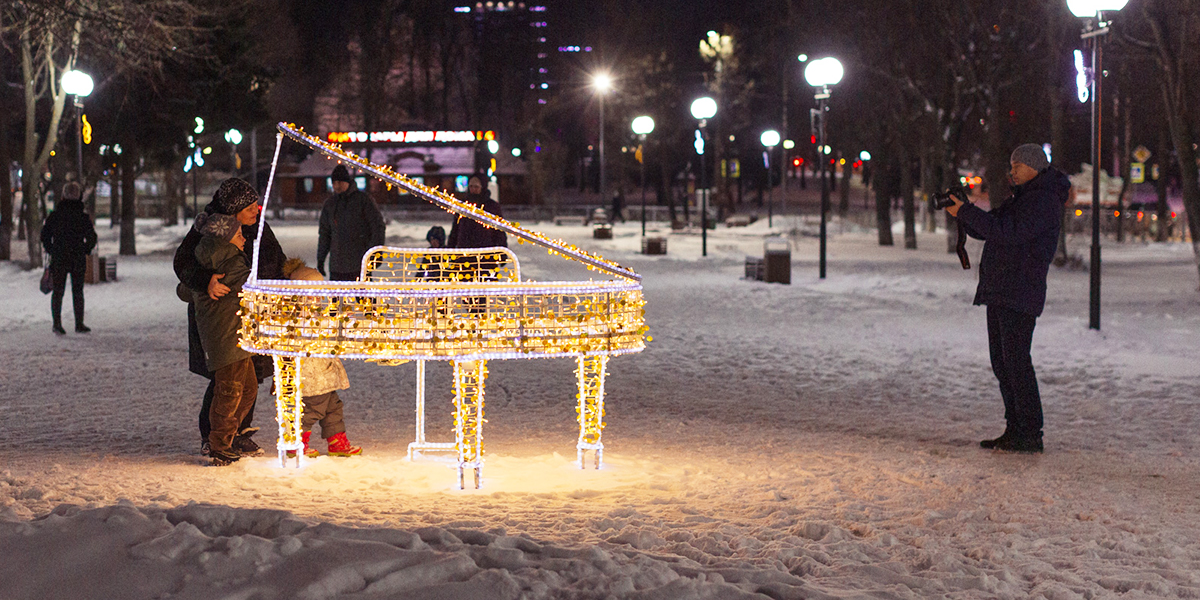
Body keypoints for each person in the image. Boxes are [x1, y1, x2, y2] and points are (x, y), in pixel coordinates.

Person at [943, 144, 1070, 454]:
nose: (1011, 170)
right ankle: (1016, 429)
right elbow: (991, 229)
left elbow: (1008, 232)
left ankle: (1029, 432)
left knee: (1015, 362)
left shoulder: (1042, 201)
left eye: (1017, 165)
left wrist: (967, 212)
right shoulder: (1024, 198)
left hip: (1019, 289)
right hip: (1004, 288)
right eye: (1011, 164)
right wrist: (964, 210)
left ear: (1034, 167)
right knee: (1003, 362)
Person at [174, 178, 285, 457]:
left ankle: (237, 432)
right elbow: (183, 263)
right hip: (220, 314)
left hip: (253, 312)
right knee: (226, 377)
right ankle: (212, 436)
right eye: (250, 207)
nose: (256, 211)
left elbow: (275, 259)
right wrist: (205, 281)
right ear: (233, 213)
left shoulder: (256, 225)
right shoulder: (210, 230)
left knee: (250, 376)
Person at [190, 212, 257, 466]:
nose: (243, 238)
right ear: (225, 239)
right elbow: (250, 287)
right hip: (227, 336)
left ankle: (226, 437)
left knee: (247, 388)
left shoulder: (214, 260)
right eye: (238, 234)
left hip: (231, 334)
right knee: (230, 391)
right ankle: (219, 443)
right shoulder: (228, 261)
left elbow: (184, 290)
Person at [282, 259, 364, 458]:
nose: (319, 298)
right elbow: (321, 331)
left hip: (323, 375)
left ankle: (337, 442)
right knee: (312, 410)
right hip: (311, 378)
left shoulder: (315, 313)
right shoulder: (299, 317)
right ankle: (296, 443)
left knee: (333, 408)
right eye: (314, 293)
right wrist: (338, 323)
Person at [41, 183, 97, 335]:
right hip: (77, 257)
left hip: (59, 257)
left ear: (63, 196)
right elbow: (92, 237)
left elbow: (45, 235)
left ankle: (57, 324)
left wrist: (51, 249)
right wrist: (85, 249)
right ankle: (79, 323)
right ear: (79, 196)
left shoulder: (55, 215)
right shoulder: (82, 216)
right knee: (78, 291)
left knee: (58, 291)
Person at [317, 164, 386, 281]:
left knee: (364, 297)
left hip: (359, 262)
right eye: (334, 183)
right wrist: (321, 258)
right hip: (337, 264)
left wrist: (375, 254)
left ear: (347, 182)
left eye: (340, 182)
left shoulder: (363, 200)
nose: (336, 186)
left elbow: (377, 227)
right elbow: (325, 233)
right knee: (337, 298)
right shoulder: (330, 204)